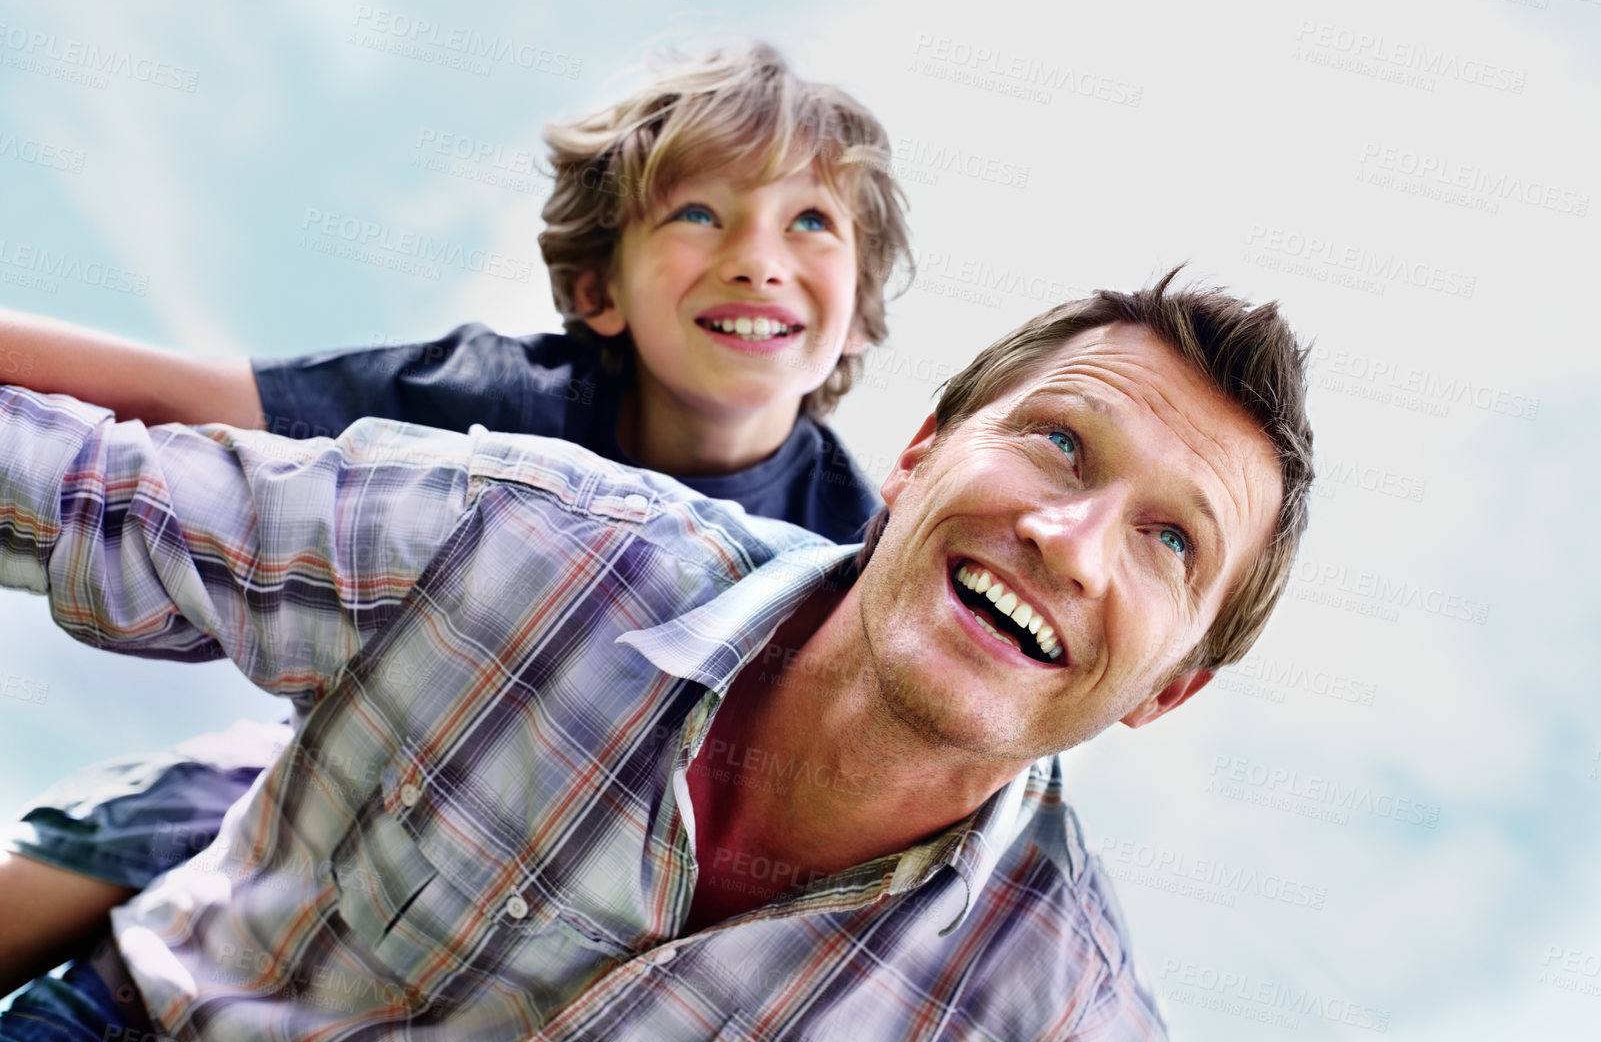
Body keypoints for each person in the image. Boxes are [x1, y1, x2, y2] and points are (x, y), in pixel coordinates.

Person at [0, 272, 1315, 1040]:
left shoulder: (1049, 1010)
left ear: (1171, 688)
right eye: (1059, 442)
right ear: (917, 456)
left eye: (1168, 544)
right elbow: (91, 494)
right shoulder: (529, 539)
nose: (1068, 540)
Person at [0, 41, 913, 993]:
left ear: (852, 318)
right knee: (186, 803)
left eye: (809, 221)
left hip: (597, 892)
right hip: (377, 784)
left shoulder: (853, 554)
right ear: (600, 290)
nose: (758, 259)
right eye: (697, 212)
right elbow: (183, 401)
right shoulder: (503, 410)